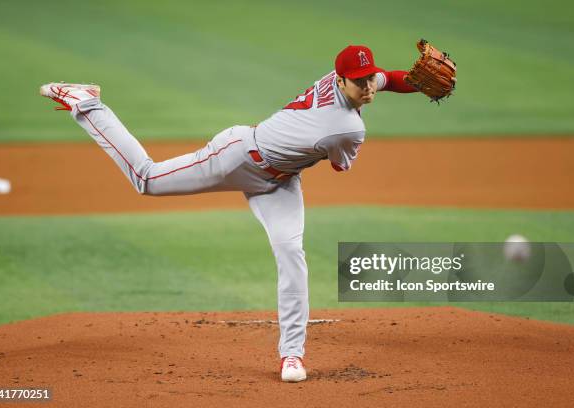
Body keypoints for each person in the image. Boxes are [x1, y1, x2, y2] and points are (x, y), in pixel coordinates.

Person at [39, 44, 417, 383]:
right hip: (236, 157)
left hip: (280, 183)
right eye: (359, 82)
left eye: (369, 79)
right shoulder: (348, 129)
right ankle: (87, 103)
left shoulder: (339, 82)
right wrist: (405, 87)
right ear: (340, 80)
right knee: (147, 179)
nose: (368, 87)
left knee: (291, 254)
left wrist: (416, 82)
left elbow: (390, 79)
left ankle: (292, 355)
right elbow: (339, 167)